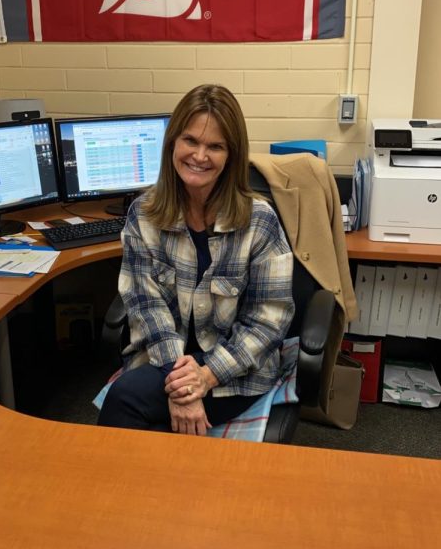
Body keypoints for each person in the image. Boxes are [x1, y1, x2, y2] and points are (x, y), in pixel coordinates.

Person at [98, 84, 294, 436]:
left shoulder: (260, 221)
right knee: (143, 411)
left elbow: (269, 319)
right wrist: (182, 384)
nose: (200, 155)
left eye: (215, 146)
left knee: (126, 400)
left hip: (235, 367)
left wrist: (204, 377)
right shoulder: (143, 215)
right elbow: (145, 305)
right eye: (191, 140)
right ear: (173, 142)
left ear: (231, 156)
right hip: (165, 358)